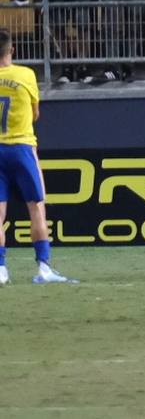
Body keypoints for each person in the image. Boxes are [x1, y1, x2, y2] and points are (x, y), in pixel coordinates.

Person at [0, 29, 74, 285]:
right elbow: (35, 114)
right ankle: (43, 268)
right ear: (12, 50)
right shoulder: (25, 75)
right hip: (21, 148)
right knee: (36, 208)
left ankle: (1, 270)